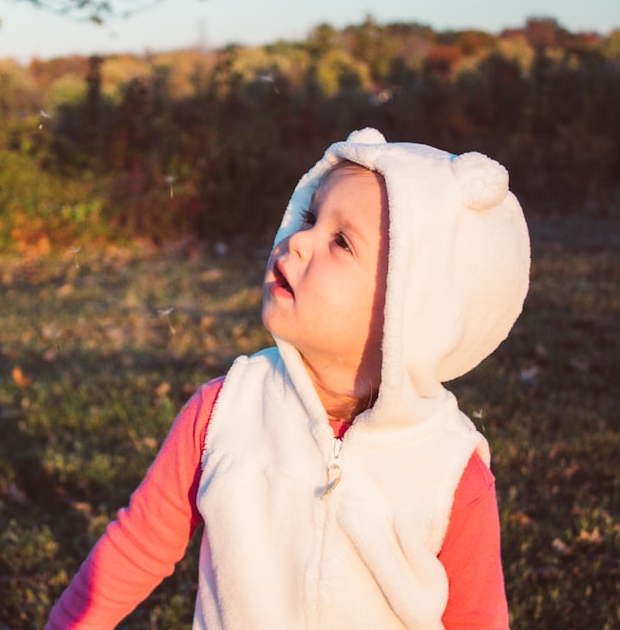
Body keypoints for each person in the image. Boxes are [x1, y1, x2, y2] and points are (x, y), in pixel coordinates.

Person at [46, 128, 530, 629]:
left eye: (341, 241)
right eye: (308, 217)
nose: (297, 241)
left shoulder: (449, 470)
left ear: (412, 308)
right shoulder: (224, 412)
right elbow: (137, 548)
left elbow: (477, 618)